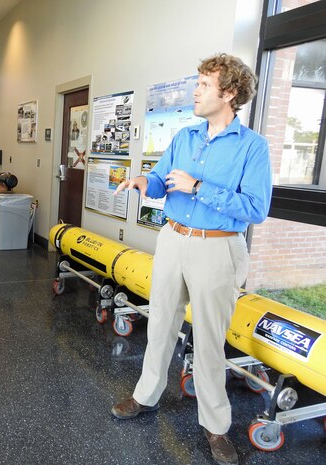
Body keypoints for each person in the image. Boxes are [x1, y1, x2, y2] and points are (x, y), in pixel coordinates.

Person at [111, 53, 272, 465]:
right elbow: (162, 181)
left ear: (230, 92)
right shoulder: (184, 137)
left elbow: (256, 209)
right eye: (196, 83)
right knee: (161, 322)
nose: (195, 91)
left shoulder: (253, 147)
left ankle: (216, 426)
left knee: (208, 341)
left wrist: (199, 186)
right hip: (173, 239)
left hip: (217, 247)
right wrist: (141, 181)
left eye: (203, 84)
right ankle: (146, 397)